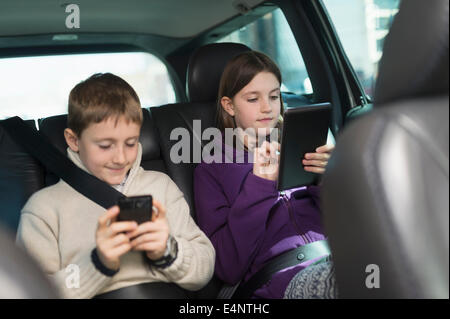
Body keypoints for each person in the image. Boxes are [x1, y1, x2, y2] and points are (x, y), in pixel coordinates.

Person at [16, 73, 215, 298]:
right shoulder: (45, 208)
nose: (120, 158)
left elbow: (205, 266)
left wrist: (167, 250)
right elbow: (29, 291)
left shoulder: (161, 186)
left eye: (130, 143)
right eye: (105, 146)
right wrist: (98, 264)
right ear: (73, 140)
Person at [193, 51, 337, 299]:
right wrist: (259, 185)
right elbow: (228, 266)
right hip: (280, 279)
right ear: (229, 106)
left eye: (273, 96)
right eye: (252, 99)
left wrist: (327, 180)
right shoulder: (211, 169)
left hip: (334, 257)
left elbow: (347, 222)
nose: (267, 107)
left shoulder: (301, 143)